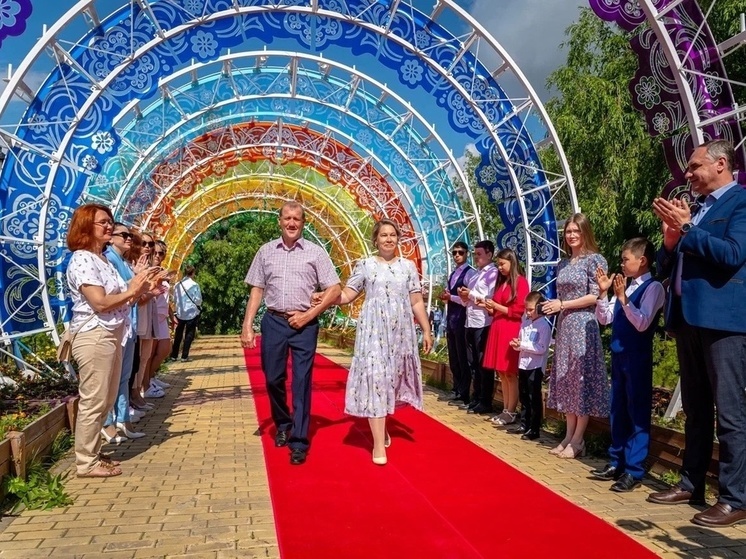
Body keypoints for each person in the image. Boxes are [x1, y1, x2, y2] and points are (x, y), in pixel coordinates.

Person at [649, 140, 746, 527]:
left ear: (721, 163)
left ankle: (736, 498)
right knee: (696, 410)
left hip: (724, 324)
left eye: (694, 167)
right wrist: (671, 243)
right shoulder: (699, 209)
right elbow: (666, 266)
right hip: (687, 320)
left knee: (732, 414)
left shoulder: (739, 201)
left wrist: (687, 227)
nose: (687, 174)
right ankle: (691, 483)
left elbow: (733, 255)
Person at [241, 201, 341, 466]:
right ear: (280, 221)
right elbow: (257, 290)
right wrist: (247, 325)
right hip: (274, 322)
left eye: (297, 218)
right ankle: (283, 422)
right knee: (273, 378)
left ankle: (299, 440)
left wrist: (308, 315)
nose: (292, 223)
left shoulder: (315, 253)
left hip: (305, 325)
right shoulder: (265, 252)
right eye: (287, 218)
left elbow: (334, 289)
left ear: (303, 223)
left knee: (302, 382)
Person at [325, 219, 432, 465]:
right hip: (372, 332)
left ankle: (381, 425)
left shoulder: (408, 268)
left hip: (400, 334)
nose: (388, 239)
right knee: (375, 378)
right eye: (383, 235)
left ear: (398, 239)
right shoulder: (365, 265)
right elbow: (348, 294)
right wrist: (327, 298)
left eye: (392, 235)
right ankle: (377, 445)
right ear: (376, 239)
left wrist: (426, 330)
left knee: (390, 380)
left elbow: (416, 302)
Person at [65, 204, 156, 477]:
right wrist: (134, 288)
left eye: (110, 222)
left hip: (112, 333)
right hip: (94, 334)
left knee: (105, 398)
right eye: (103, 223)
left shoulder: (102, 259)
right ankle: (85, 462)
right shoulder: (82, 259)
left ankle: (92, 452)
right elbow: (100, 301)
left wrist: (140, 287)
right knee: (95, 399)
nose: (108, 226)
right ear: (85, 228)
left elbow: (125, 295)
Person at [592, 238, 665, 492]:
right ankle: (617, 460)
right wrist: (604, 293)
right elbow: (605, 318)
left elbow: (643, 322)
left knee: (637, 411)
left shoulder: (653, 288)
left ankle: (634, 469)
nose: (621, 264)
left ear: (641, 260)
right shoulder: (627, 287)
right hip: (619, 354)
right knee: (618, 409)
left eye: (625, 259)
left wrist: (624, 300)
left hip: (637, 356)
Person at [542, 213, 609, 459]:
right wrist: (556, 306)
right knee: (567, 379)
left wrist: (563, 304)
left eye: (575, 231)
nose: (571, 235)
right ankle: (569, 435)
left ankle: (579, 439)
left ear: (584, 233)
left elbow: (596, 295)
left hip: (583, 323)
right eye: (568, 231)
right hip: (566, 324)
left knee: (581, 379)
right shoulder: (563, 263)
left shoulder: (595, 260)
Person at [102, 223, 150, 443]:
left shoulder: (122, 262)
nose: (129, 239)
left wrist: (141, 280)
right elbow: (120, 293)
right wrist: (136, 280)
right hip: (116, 325)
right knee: (112, 377)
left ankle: (122, 419)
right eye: (124, 235)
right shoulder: (108, 259)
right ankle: (108, 422)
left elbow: (133, 295)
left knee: (123, 375)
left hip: (128, 324)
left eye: (130, 235)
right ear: (111, 238)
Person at [481, 248, 529, 426]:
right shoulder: (502, 282)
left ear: (512, 262)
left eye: (502, 264)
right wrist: (489, 307)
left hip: (510, 328)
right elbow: (497, 309)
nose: (500, 267)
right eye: (498, 264)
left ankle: (511, 411)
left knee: (510, 372)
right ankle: (505, 409)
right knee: (501, 372)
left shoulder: (520, 282)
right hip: (498, 326)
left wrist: (496, 307)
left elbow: (518, 311)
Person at [457, 240, 498, 415]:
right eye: (475, 254)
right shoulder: (475, 275)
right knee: (473, 361)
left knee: (483, 363)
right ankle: (476, 396)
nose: (476, 258)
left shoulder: (493, 273)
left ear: (489, 254)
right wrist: (462, 296)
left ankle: (485, 400)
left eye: (479, 254)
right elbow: (469, 300)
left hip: (483, 322)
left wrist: (470, 295)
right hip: (470, 320)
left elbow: (490, 298)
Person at [508, 291, 552, 440]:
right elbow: (522, 343)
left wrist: (523, 345)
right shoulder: (525, 322)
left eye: (531, 309)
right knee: (524, 394)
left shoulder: (544, 326)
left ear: (540, 307)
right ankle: (524, 423)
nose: (528, 312)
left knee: (534, 397)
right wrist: (517, 345)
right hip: (524, 364)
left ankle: (534, 428)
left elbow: (541, 348)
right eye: (526, 309)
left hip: (535, 366)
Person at [439, 242, 475, 405]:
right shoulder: (453, 274)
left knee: (462, 356)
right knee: (453, 356)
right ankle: (456, 388)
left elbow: (468, 299)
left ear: (467, 253)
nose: (457, 255)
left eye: (460, 252)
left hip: (463, 318)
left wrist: (451, 297)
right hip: (451, 318)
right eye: (454, 253)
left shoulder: (470, 274)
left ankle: (464, 392)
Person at [171, 265, 202, 362]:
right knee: (189, 334)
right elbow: (198, 301)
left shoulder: (177, 285)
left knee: (178, 334)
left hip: (180, 313)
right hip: (191, 313)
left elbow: (175, 299)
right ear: (193, 273)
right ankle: (184, 356)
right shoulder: (195, 285)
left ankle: (174, 355)